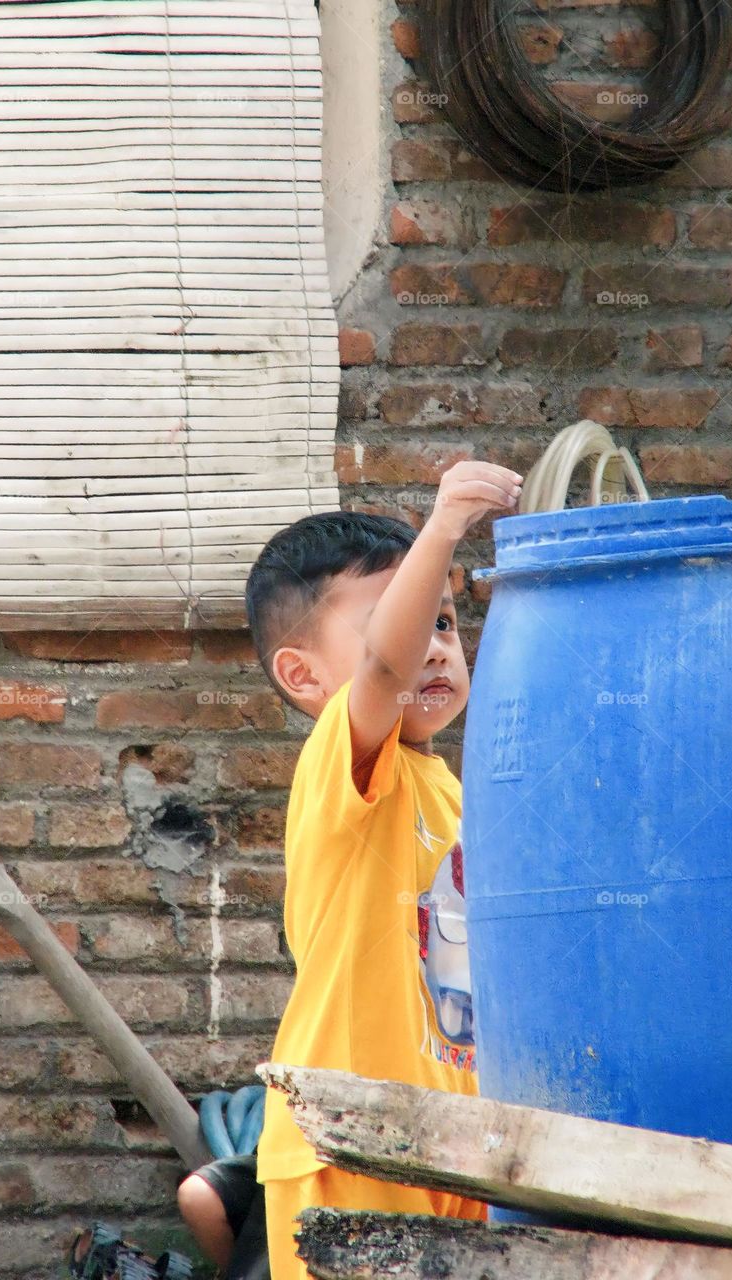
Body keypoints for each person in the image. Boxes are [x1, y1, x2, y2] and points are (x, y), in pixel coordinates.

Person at [243, 460, 524, 1280]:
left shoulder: (451, 790)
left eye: (443, 621)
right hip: (348, 1139)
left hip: (457, 1139)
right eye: (401, 625)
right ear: (305, 677)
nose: (432, 648)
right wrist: (440, 531)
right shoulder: (346, 761)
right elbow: (385, 677)